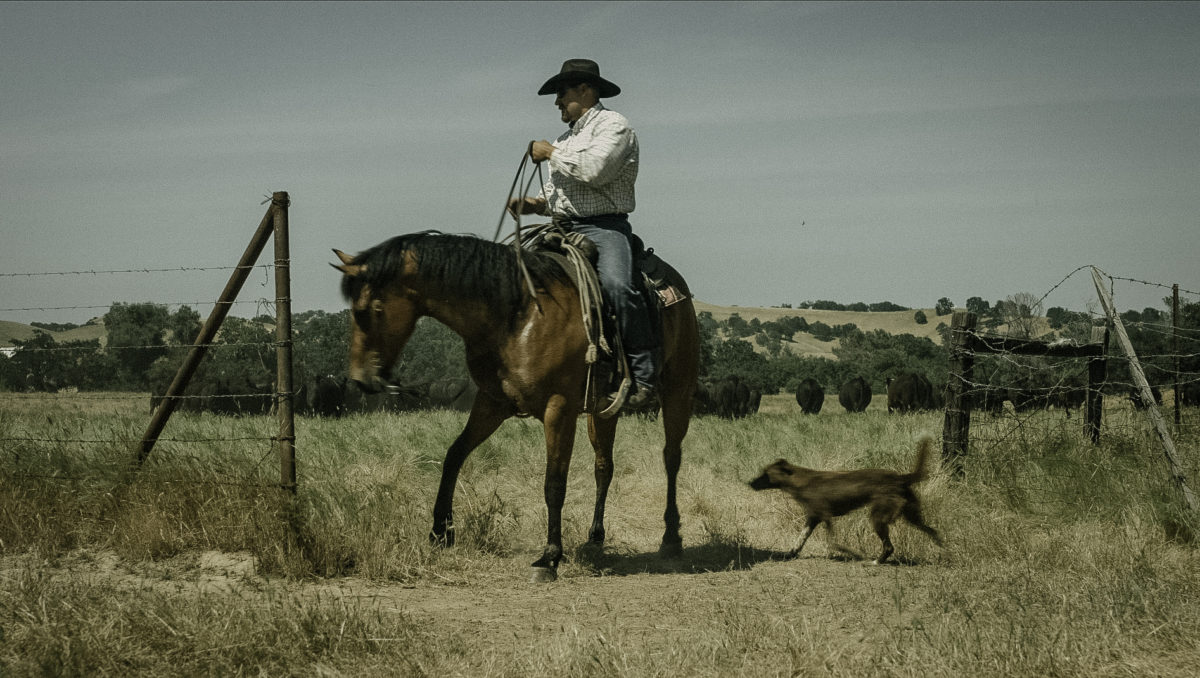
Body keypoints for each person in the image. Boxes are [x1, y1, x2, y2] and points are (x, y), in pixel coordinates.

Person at [508, 58, 658, 409]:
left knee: (618, 287)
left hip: (605, 227)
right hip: (562, 228)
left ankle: (645, 376)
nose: (557, 102)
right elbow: (557, 195)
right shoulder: (565, 138)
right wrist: (533, 204)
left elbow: (594, 171)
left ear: (585, 90)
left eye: (562, 93)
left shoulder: (614, 126)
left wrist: (550, 152)